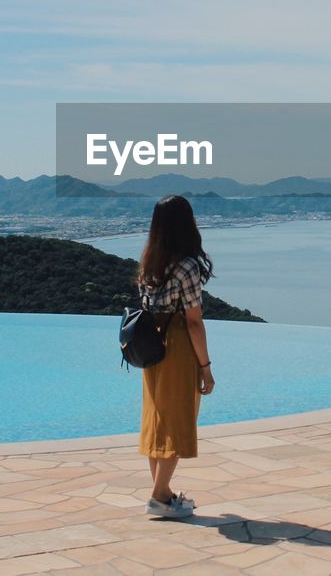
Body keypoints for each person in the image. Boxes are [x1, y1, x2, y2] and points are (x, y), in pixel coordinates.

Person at [136, 194, 215, 519]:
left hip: (151, 347)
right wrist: (206, 368)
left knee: (158, 420)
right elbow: (193, 321)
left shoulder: (149, 262)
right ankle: (158, 497)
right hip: (177, 346)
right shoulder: (186, 266)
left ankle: (165, 494)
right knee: (178, 419)